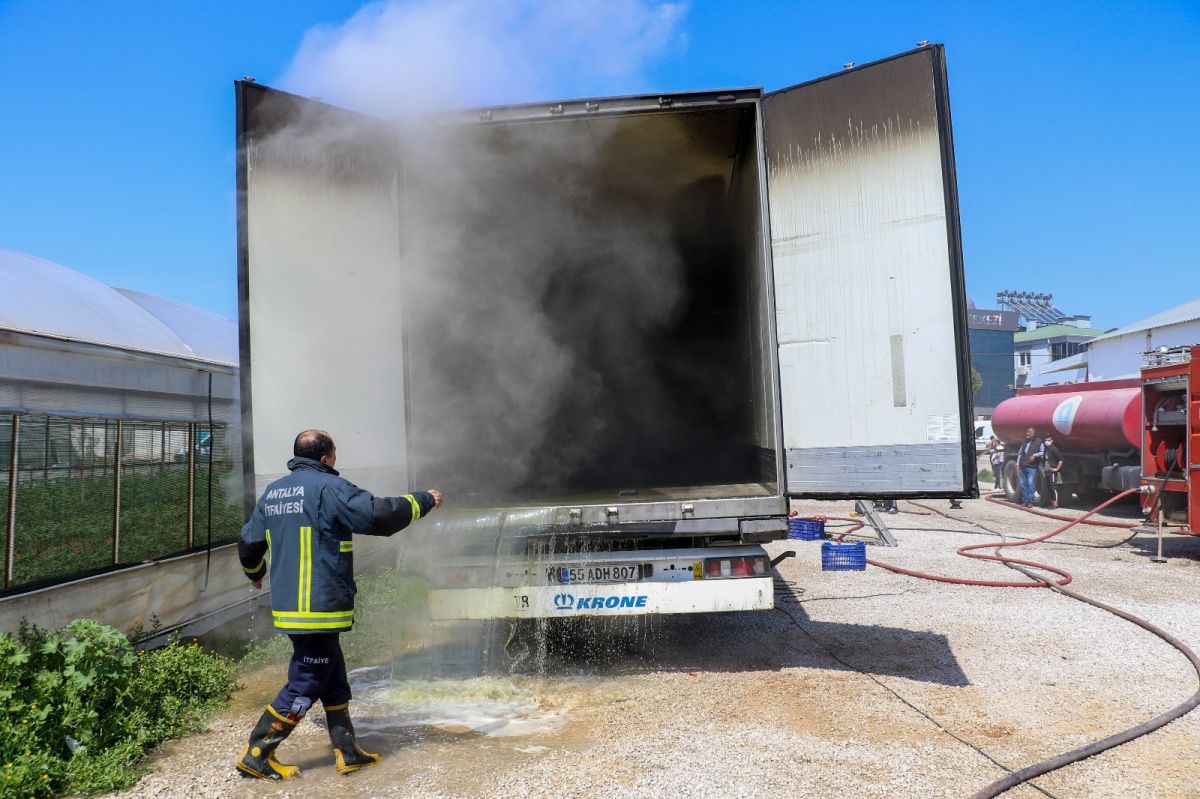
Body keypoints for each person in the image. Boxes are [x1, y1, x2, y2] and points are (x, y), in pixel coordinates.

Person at [234, 429, 443, 780]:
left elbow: (248, 542)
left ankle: (348, 752)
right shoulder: (329, 488)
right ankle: (258, 752)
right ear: (327, 457)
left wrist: (255, 573)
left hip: (289, 608)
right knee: (306, 681)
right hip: (318, 608)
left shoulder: (273, 493)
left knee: (332, 676)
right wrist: (423, 500)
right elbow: (376, 515)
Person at [1015, 427, 1044, 508]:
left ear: (1034, 433)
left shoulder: (1039, 442)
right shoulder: (1024, 441)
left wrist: (1035, 455)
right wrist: (1017, 464)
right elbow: (1020, 453)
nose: (1027, 433)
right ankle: (1025, 501)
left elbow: (1043, 452)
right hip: (1022, 466)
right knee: (1022, 484)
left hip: (1031, 467)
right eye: (1027, 432)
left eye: (1029, 432)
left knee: (1030, 484)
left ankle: (1031, 501)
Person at [1041, 434, 1063, 509]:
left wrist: (1057, 469)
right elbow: (1045, 459)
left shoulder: (1054, 449)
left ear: (1052, 441)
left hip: (1052, 471)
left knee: (1053, 487)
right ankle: (1051, 503)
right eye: (1045, 440)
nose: (1046, 442)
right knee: (1049, 488)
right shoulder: (1046, 449)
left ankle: (1056, 504)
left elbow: (1061, 459)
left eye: (1048, 440)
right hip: (1046, 471)